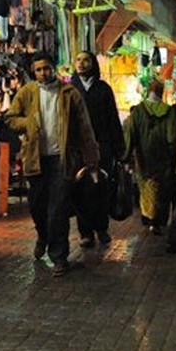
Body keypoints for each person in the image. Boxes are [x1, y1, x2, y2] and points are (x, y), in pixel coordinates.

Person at [5, 51, 98, 275]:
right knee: (37, 206)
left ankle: (59, 257)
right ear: (33, 72)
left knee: (58, 209)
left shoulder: (69, 93)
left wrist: (91, 158)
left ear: (53, 68)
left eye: (46, 68)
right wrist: (27, 122)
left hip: (62, 160)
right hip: (35, 159)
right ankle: (42, 236)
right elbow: (10, 118)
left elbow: (85, 127)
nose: (43, 73)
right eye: (38, 70)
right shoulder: (27, 92)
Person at [70, 50, 124, 248]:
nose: (82, 63)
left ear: (93, 63)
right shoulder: (70, 89)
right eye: (78, 59)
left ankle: (101, 228)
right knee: (81, 190)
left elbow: (112, 119)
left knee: (102, 188)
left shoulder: (103, 89)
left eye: (86, 60)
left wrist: (119, 148)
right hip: (77, 149)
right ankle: (86, 233)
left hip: (103, 146)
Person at [123, 82, 176, 235]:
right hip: (162, 157)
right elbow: (173, 137)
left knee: (146, 188)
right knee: (160, 188)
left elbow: (131, 135)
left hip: (142, 156)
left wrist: (126, 157)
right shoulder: (168, 111)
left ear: (149, 91)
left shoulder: (139, 111)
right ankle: (158, 219)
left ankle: (149, 217)